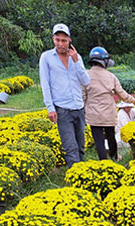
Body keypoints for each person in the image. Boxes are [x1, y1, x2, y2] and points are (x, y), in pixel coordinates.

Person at [39, 23, 90, 167]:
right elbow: (45, 84)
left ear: (69, 41)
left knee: (81, 145)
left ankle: (83, 173)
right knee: (70, 147)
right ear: (53, 39)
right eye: (57, 40)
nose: (60, 44)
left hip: (78, 107)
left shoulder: (76, 57)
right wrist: (50, 108)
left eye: (64, 40)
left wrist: (76, 61)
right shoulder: (46, 57)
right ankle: (75, 177)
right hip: (62, 109)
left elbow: (86, 81)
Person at [82, 46, 135, 161]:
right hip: (108, 113)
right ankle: (114, 157)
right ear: (104, 61)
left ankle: (103, 162)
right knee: (111, 137)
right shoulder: (111, 77)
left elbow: (82, 97)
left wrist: (83, 112)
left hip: (93, 114)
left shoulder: (85, 76)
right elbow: (122, 94)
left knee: (98, 139)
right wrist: (134, 100)